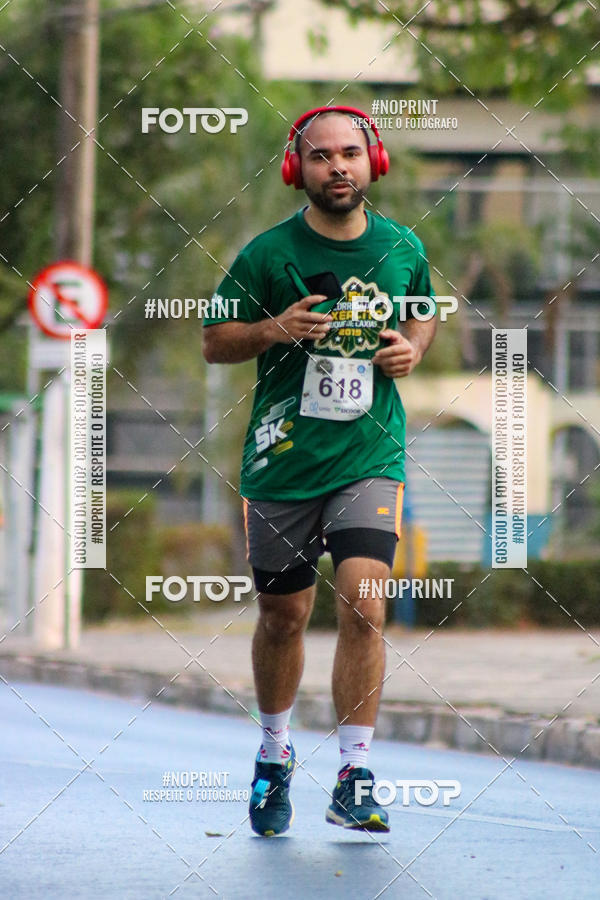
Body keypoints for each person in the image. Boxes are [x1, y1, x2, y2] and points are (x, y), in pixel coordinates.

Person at [202, 105, 437, 836]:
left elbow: (423, 309)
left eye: (350, 154)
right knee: (284, 617)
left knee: (364, 602)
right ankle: (274, 756)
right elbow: (215, 341)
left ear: (374, 162)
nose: (338, 166)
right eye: (320, 156)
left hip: (369, 453)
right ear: (295, 169)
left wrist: (414, 347)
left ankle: (354, 774)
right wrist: (273, 329)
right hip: (282, 460)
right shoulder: (266, 254)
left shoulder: (402, 246)